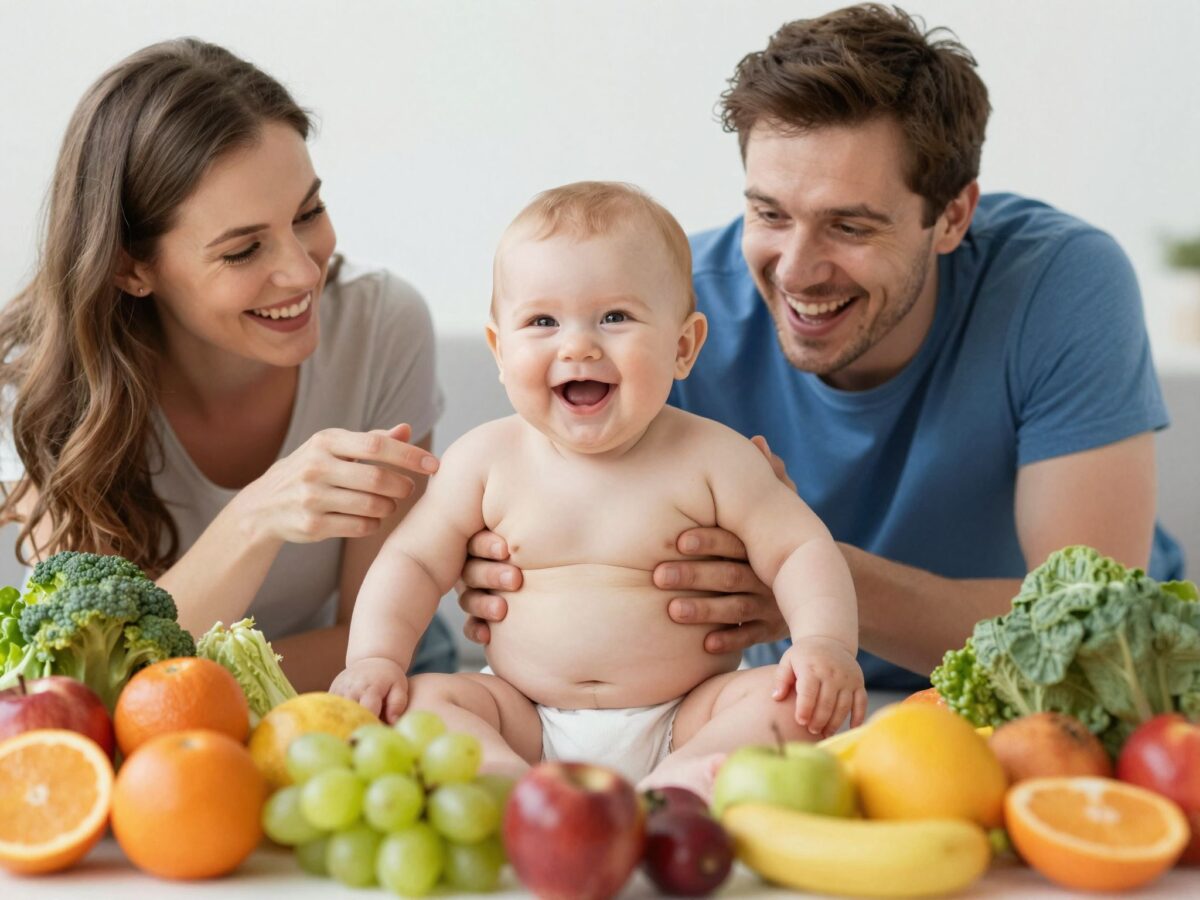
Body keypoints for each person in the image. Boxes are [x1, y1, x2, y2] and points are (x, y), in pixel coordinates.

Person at [457, 3, 1183, 693]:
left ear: (953, 215)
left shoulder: (1057, 285)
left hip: (1041, 700)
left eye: (851, 227)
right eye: (769, 213)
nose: (797, 271)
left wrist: (801, 569)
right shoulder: (653, 319)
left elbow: (1092, 631)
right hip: (795, 701)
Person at [331, 182, 866, 788]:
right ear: (499, 350)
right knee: (425, 700)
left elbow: (800, 549)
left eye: (615, 317)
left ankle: (684, 780)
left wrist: (823, 644)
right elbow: (413, 562)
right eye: (542, 321)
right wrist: (376, 659)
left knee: (788, 705)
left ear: (683, 346)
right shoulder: (483, 460)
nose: (578, 344)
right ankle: (509, 785)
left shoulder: (717, 457)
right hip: (522, 716)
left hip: (687, 714)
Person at [0, 39, 456, 690]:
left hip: (360, 678)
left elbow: (377, 640)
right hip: (174, 722)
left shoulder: (382, 328)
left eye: (309, 213)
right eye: (243, 251)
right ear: (132, 267)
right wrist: (255, 518)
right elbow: (86, 675)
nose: (303, 271)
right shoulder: (38, 385)